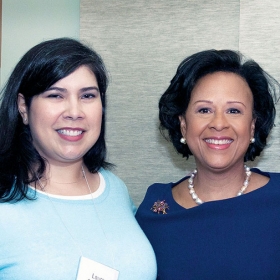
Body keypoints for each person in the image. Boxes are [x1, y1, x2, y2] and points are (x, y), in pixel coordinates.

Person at [0, 37, 157, 280]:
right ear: (23, 107)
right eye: (55, 95)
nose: (74, 112)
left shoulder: (115, 190)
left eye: (87, 96)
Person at [136, 49, 280, 279]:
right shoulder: (154, 210)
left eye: (234, 110)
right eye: (204, 110)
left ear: (252, 125)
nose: (219, 123)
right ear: (183, 125)